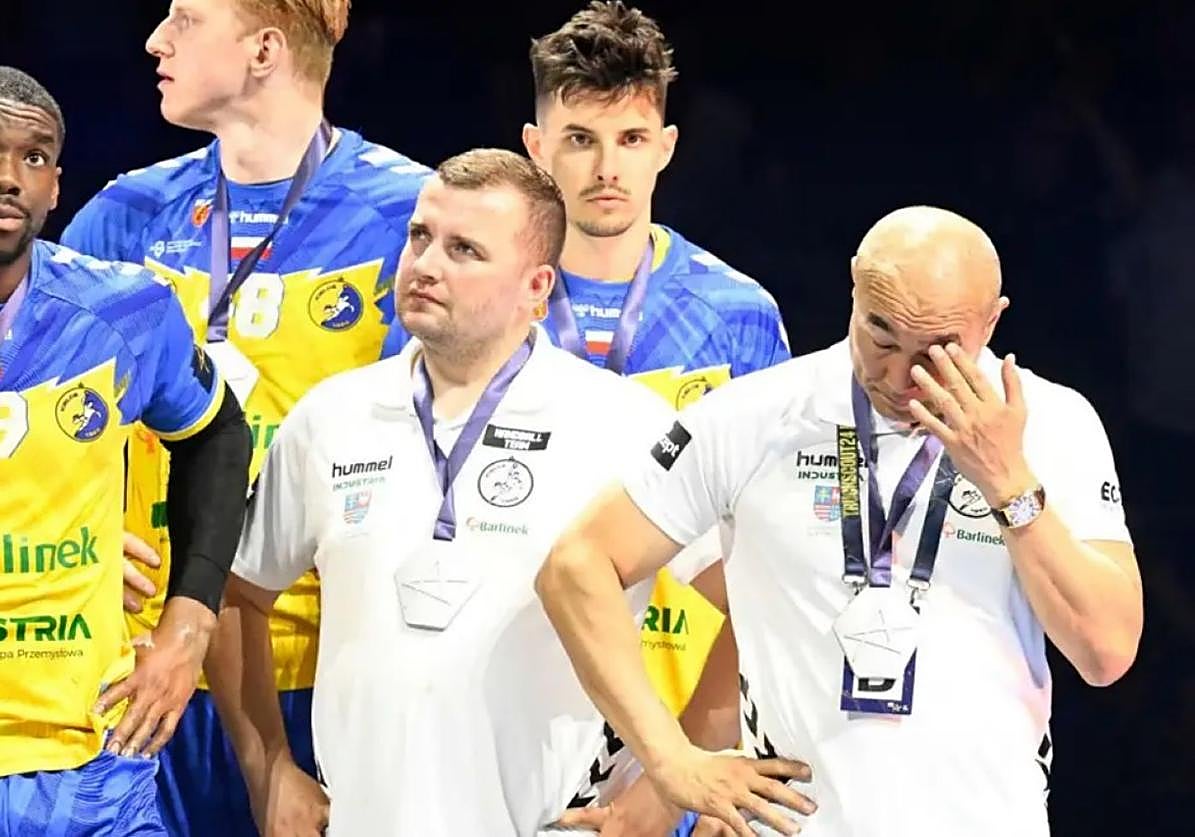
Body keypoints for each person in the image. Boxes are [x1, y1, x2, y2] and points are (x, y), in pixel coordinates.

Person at [536, 205, 1144, 837]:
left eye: (937, 351)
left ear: (991, 320)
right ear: (854, 285)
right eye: (881, 334)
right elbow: (578, 566)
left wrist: (1006, 479)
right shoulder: (754, 416)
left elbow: (1105, 651)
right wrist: (669, 762)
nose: (901, 376)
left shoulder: (1055, 423)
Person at [208, 147, 728, 835]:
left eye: (464, 250)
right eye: (419, 236)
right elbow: (238, 594)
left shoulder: (622, 423)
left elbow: (754, 607)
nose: (425, 264)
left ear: (536, 287)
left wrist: (671, 784)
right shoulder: (331, 417)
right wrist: (268, 766)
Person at [382, 4, 790, 812]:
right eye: (579, 138)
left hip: (676, 736)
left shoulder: (736, 318)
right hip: (493, 722)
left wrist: (680, 776)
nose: (607, 168)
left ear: (665, 147)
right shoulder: (472, 301)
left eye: (630, 139)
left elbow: (768, 570)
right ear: (535, 147)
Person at [58, 1, 430, 834]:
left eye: (185, 19)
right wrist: (74, 529)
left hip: (328, 675)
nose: (156, 39)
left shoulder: (413, 218)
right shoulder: (125, 216)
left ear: (264, 51)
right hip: (136, 668)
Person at [0, 66, 251, 834]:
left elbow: (218, 434)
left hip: (90, 766)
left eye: (33, 157)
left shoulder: (126, 311)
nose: (10, 177)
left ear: (55, 186)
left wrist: (188, 625)